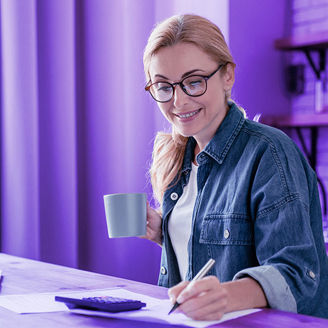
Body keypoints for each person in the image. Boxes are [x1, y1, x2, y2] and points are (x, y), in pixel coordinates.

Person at [142, 14, 328, 320]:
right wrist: (165, 228)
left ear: (227, 75)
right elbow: (219, 241)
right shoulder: (179, 156)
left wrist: (225, 296)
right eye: (164, 87)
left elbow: (296, 273)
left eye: (194, 82)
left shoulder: (269, 152)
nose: (179, 101)